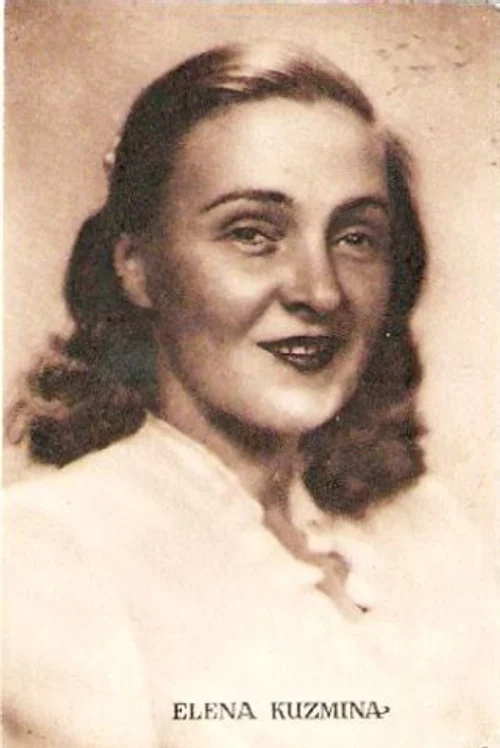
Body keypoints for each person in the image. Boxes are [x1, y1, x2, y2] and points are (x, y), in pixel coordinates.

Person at [3, 43, 496, 747]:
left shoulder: (426, 529)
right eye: (252, 233)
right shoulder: (46, 554)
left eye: (356, 237)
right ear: (136, 267)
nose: (320, 292)